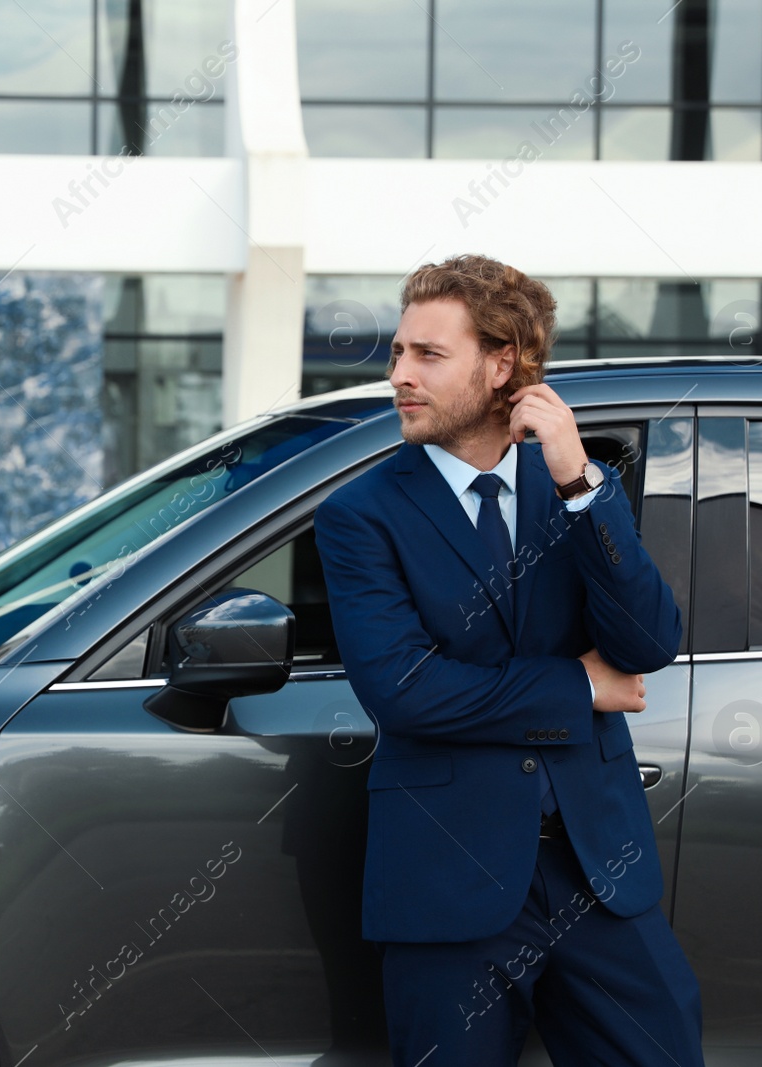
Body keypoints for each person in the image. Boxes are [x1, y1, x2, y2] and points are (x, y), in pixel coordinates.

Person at [312, 254, 704, 1066]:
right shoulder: (360, 516)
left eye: (428, 355)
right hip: (448, 882)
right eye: (398, 353)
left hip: (599, 874)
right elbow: (406, 690)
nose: (400, 377)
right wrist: (578, 685)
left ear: (501, 366)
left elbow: (649, 644)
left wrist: (579, 481)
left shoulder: (581, 487)